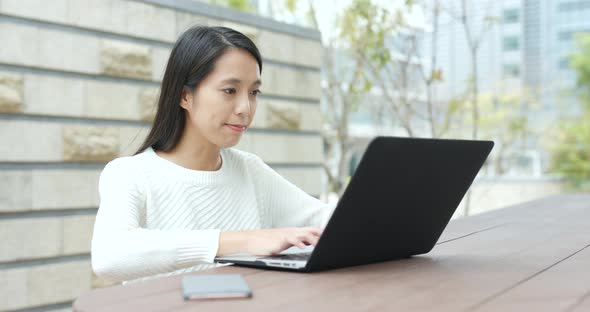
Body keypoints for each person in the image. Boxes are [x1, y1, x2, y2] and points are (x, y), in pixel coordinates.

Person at [90, 26, 334, 284]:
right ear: (185, 95)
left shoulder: (250, 171)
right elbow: (109, 256)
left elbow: (329, 222)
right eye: (230, 90)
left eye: (253, 92)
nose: (245, 108)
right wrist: (242, 241)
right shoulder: (129, 174)